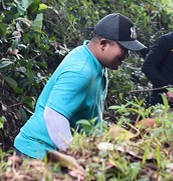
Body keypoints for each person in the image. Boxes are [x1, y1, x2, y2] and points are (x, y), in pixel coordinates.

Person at [13, 13, 146, 158]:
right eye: (123, 48)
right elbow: (53, 115)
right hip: (38, 152)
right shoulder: (81, 71)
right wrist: (74, 156)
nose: (127, 54)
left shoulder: (95, 61)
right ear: (103, 44)